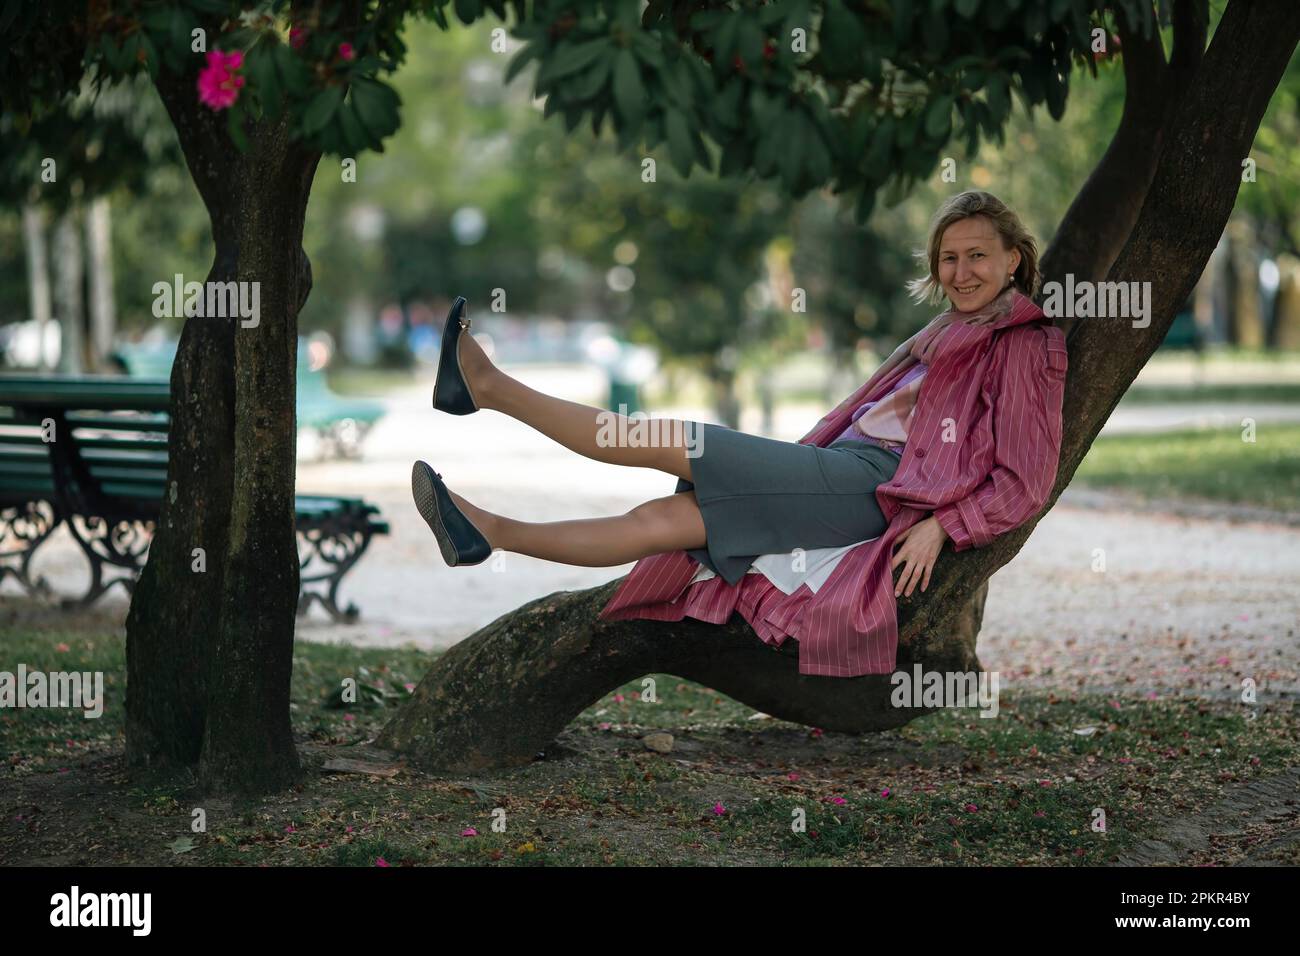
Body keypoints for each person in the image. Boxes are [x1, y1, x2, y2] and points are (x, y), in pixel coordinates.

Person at [412, 189, 1067, 678]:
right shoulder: (950, 330)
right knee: (661, 523)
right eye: (948, 258)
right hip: (843, 475)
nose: (960, 272)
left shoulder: (1027, 345)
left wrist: (943, 526)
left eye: (977, 256)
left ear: (1013, 259)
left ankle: (488, 389)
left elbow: (1024, 479)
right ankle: (488, 534)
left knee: (664, 438)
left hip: (874, 488)